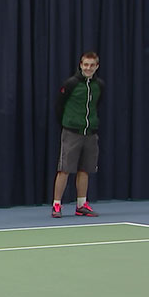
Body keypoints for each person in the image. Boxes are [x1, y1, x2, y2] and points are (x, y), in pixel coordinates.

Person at [51, 51, 104, 218]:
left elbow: (97, 105)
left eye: (92, 65)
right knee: (64, 169)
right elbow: (59, 106)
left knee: (85, 169)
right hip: (71, 133)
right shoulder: (71, 84)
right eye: (85, 65)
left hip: (90, 133)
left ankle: (81, 204)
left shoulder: (99, 85)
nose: (88, 68)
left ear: (96, 67)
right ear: (81, 65)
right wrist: (69, 123)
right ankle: (57, 205)